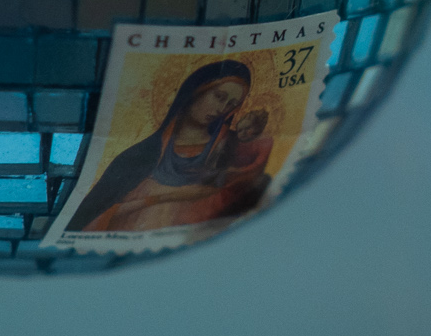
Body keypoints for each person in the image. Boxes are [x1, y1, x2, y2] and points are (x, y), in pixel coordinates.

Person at [69, 60, 277, 234]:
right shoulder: (141, 154)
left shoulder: (230, 147)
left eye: (231, 105)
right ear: (196, 91)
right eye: (219, 97)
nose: (222, 109)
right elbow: (91, 216)